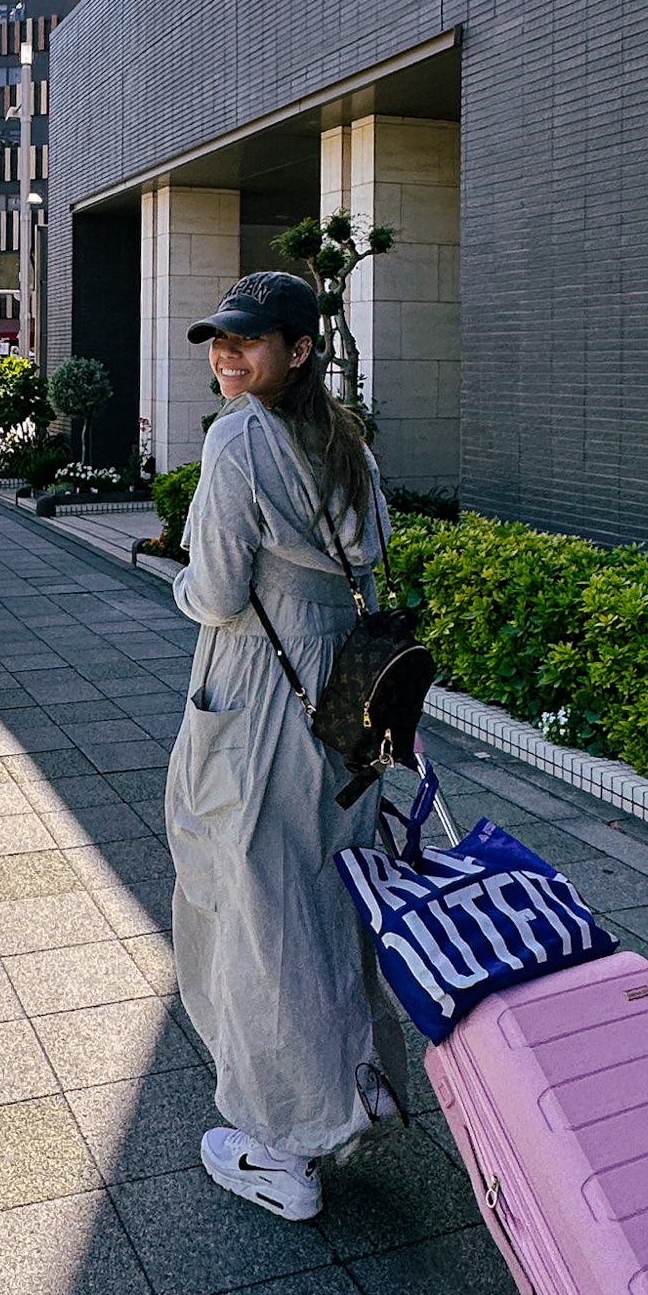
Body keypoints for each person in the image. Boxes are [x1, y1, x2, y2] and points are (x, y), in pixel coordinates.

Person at [166, 270, 406, 1225]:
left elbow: (218, 593)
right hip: (342, 690)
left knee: (258, 905)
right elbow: (371, 551)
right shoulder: (344, 441)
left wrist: (182, 585)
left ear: (297, 350)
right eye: (221, 339)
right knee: (331, 890)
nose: (228, 356)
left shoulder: (238, 440)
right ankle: (353, 1087)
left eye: (249, 341)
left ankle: (280, 1145)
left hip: (259, 692)